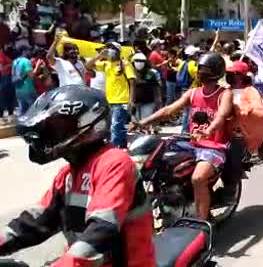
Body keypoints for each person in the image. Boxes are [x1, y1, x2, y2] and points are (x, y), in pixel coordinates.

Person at [0, 85, 155, 265]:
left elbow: (102, 230)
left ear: (89, 125)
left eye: (56, 127)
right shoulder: (68, 174)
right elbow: (38, 222)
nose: (48, 134)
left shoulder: (115, 163)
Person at [133, 53, 233, 220]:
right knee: (157, 163)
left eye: (205, 69)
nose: (200, 72)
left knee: (198, 178)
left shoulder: (224, 94)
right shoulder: (193, 93)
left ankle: (202, 223)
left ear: (216, 71)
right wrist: (144, 122)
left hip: (213, 146)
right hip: (191, 143)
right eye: (200, 69)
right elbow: (169, 110)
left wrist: (209, 131)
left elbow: (221, 116)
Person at [86, 42, 136, 148]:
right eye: (108, 48)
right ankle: (121, 146)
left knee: (116, 126)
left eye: (111, 48)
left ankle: (113, 148)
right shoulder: (106, 64)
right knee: (117, 126)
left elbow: (132, 82)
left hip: (122, 100)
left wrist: (131, 100)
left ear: (118, 51)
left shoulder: (125, 63)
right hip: (109, 100)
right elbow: (88, 66)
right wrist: (99, 56)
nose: (109, 50)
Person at [227, 60, 263, 157]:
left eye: (233, 74)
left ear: (242, 76)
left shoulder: (251, 91)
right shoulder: (226, 89)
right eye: (228, 74)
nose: (229, 76)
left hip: (242, 134)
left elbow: (258, 112)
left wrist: (239, 110)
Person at [176, 45, 201, 133]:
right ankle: (187, 131)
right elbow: (197, 76)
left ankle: (184, 131)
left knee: (185, 112)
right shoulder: (192, 64)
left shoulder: (182, 63)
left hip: (183, 89)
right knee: (191, 112)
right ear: (193, 55)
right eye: (197, 54)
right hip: (192, 90)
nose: (198, 55)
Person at [131, 53, 163, 120]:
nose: (139, 63)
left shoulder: (152, 73)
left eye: (141, 61)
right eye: (137, 60)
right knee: (135, 121)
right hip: (134, 102)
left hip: (148, 102)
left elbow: (157, 87)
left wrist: (159, 101)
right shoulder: (130, 73)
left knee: (145, 120)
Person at [12, 45, 38, 115]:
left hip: (18, 89)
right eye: (27, 50)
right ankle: (31, 126)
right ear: (24, 51)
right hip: (28, 88)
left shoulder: (15, 61)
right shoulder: (26, 61)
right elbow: (31, 76)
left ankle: (22, 125)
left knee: (23, 110)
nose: (29, 52)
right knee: (32, 111)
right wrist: (37, 66)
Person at [0, 45, 15, 124]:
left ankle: (10, 115)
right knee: (2, 98)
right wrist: (12, 64)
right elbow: (1, 68)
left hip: (10, 77)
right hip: (4, 78)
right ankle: (1, 117)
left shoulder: (9, 54)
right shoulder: (1, 55)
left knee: (10, 97)